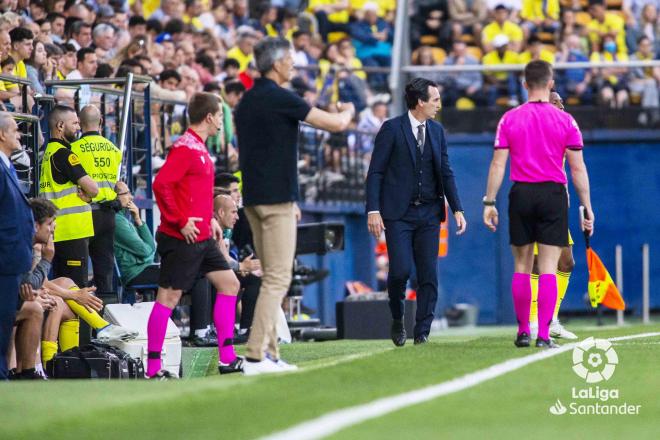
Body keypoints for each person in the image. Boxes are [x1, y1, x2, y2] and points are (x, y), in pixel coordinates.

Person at [235, 37, 355, 375]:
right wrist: (347, 111)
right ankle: (256, 355)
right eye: (289, 59)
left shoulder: (246, 101)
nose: (293, 64)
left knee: (271, 274)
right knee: (277, 277)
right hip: (276, 200)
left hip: (254, 199)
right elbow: (335, 125)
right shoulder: (279, 97)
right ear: (276, 64)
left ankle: (270, 353)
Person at [483, 60, 594, 349]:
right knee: (547, 268)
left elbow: (498, 163)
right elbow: (578, 168)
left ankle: (523, 331)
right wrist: (587, 205)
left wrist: (489, 201)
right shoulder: (566, 121)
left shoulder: (509, 118)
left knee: (521, 266)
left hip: (520, 193)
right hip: (553, 194)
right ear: (551, 82)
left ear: (524, 84)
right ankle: (543, 335)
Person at [366, 77, 467, 347]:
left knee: (427, 275)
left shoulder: (437, 131)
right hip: (398, 214)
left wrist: (457, 208)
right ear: (420, 102)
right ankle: (398, 318)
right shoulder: (391, 129)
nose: (438, 104)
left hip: (430, 214)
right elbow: (375, 172)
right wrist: (373, 210)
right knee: (399, 271)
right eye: (434, 99)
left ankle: (422, 332)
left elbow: (446, 171)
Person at [149, 92, 242, 379]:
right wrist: (179, 221)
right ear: (210, 116)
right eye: (221, 116)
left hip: (203, 236)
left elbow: (193, 192)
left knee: (230, 284)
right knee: (168, 298)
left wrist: (210, 220)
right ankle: (153, 368)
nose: (222, 123)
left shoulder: (198, 148)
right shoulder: (186, 147)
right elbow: (161, 185)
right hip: (182, 238)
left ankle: (227, 357)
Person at [528, 90, 578, 341]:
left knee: (566, 262)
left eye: (561, 101)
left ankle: (552, 319)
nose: (561, 104)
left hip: (558, 205)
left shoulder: (564, 131)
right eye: (555, 101)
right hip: (537, 203)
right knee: (539, 263)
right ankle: (536, 321)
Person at [39, 105, 98, 289]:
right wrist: (88, 195)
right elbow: (93, 189)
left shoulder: (46, 153)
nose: (79, 127)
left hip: (56, 232)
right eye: (75, 123)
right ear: (60, 125)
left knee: (62, 289)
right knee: (76, 290)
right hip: (72, 232)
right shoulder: (64, 154)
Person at [70, 105, 122, 300]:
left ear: (80, 124)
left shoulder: (73, 149)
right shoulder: (114, 150)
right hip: (108, 214)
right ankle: (106, 318)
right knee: (105, 269)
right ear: (100, 122)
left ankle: (83, 324)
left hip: (84, 212)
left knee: (81, 268)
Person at [0, 112, 34, 380]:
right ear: (2, 134)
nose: (20, 135)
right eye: (15, 130)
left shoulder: (8, 166)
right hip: (3, 262)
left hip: (12, 263)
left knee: (4, 327)